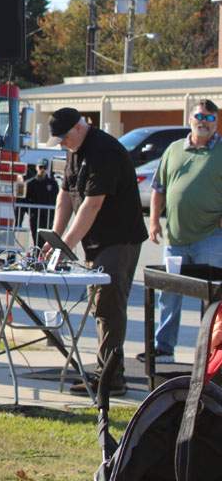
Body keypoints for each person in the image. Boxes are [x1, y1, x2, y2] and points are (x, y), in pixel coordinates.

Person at [45, 107, 147, 397]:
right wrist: (55, 237)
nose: (63, 144)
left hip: (118, 240)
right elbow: (65, 194)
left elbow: (92, 204)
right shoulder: (74, 149)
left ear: (78, 128)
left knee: (109, 305)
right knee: (98, 306)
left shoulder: (104, 151)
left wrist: (66, 246)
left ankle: (112, 378)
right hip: (96, 240)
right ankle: (106, 371)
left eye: (64, 138)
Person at [141, 100, 222, 366]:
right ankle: (163, 349)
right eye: (199, 116)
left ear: (216, 121)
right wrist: (154, 221)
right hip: (175, 239)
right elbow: (158, 188)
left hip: (210, 237)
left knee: (211, 300)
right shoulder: (174, 150)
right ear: (190, 119)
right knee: (168, 295)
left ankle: (209, 356)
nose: (204, 122)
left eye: (210, 117)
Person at [22, 158, 59, 240]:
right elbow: (25, 200)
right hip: (35, 215)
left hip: (48, 215)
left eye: (44, 168)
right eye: (40, 167)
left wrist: (53, 213)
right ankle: (36, 252)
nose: (42, 170)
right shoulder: (30, 184)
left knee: (47, 238)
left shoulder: (52, 184)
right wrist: (30, 212)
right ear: (36, 168)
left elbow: (56, 198)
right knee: (36, 237)